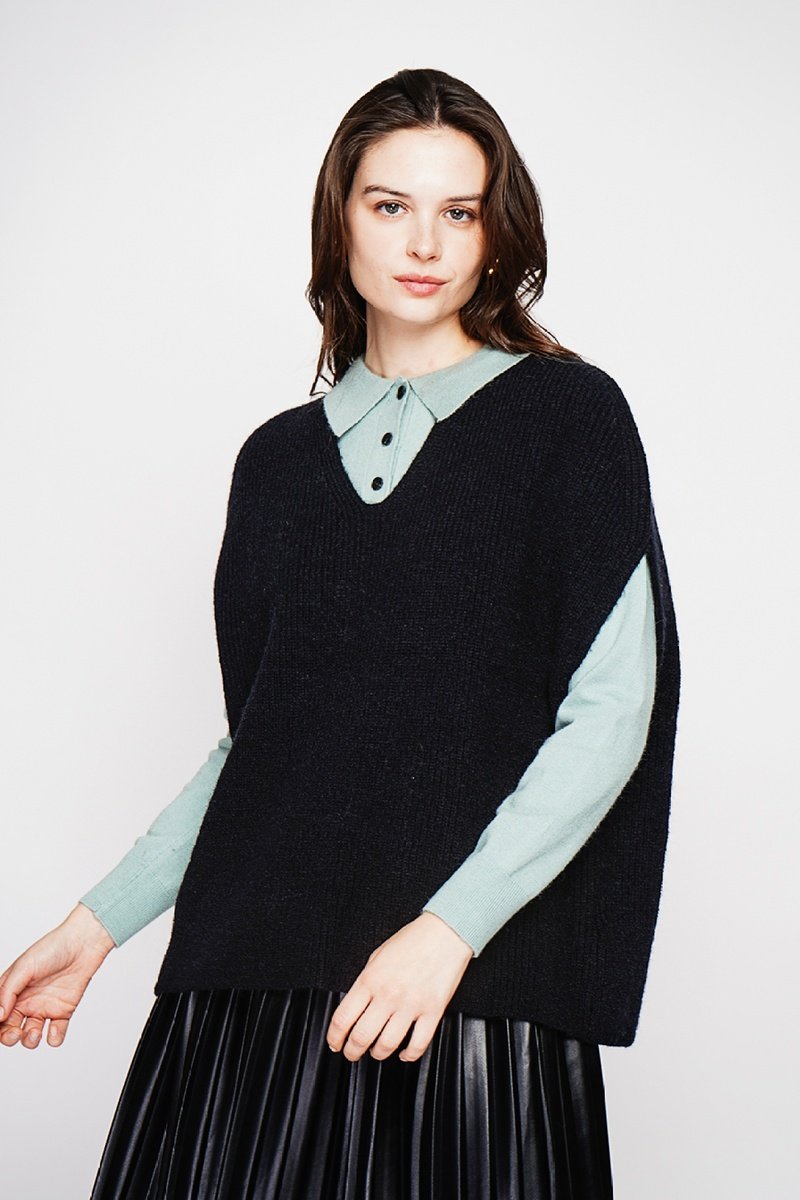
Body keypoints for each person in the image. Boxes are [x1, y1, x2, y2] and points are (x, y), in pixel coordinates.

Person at [0, 67, 680, 1198]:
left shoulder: (570, 419)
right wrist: (96, 927)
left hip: (460, 995)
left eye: (458, 211)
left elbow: (612, 711)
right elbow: (263, 746)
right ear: (340, 219)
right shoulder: (273, 465)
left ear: (495, 233)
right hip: (251, 994)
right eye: (389, 204)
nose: (425, 242)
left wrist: (449, 930)